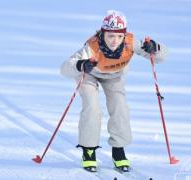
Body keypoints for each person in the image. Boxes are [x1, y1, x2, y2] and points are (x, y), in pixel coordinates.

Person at [60, 10, 167, 172]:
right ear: (102, 33)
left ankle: (118, 149)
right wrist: (81, 65)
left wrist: (155, 48)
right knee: (92, 107)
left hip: (114, 76)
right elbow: (65, 68)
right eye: (110, 36)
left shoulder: (130, 42)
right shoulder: (92, 46)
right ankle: (88, 150)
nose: (114, 40)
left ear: (124, 35)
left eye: (118, 36)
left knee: (120, 108)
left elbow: (159, 57)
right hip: (90, 74)